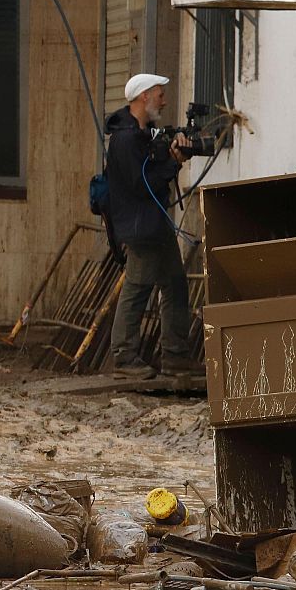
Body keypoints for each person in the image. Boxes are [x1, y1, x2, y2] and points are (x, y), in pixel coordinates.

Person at [105, 73, 199, 378]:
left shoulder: (142, 135)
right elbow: (142, 184)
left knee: (174, 284)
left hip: (154, 223)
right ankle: (123, 356)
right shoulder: (126, 138)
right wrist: (175, 162)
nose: (164, 100)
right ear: (144, 96)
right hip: (139, 225)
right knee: (137, 287)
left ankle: (175, 355)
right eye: (159, 94)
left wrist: (170, 157)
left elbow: (151, 175)